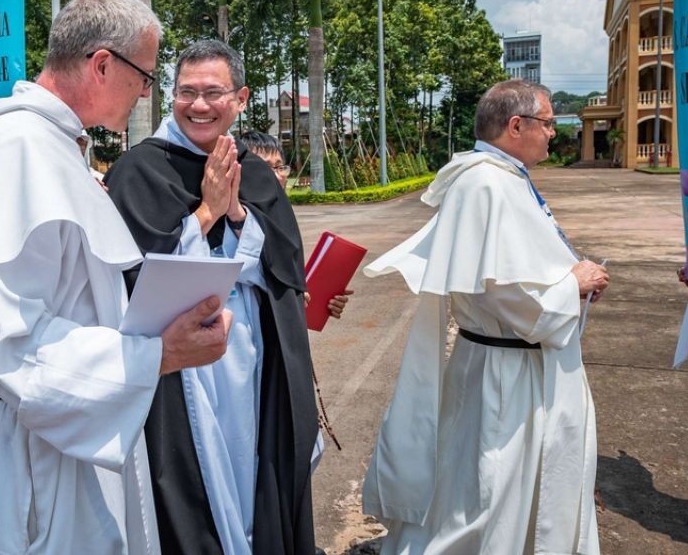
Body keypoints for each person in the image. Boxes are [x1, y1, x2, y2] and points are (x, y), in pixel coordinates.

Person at [0, 0, 231, 555]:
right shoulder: (19, 151)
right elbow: (11, 346)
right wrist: (158, 354)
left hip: (56, 432)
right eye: (145, 76)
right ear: (104, 64)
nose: (146, 93)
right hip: (26, 457)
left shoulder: (50, 146)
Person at [361, 79, 610, 554]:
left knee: (504, 493)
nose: (553, 134)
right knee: (486, 500)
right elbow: (500, 291)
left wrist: (572, 282)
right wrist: (572, 285)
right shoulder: (484, 182)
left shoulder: (504, 176)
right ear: (517, 125)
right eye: (548, 123)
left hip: (516, 366)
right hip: (504, 375)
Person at [104, 39, 318, 554]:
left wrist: (239, 213)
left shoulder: (256, 170)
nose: (198, 105)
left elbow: (284, 269)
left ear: (240, 98)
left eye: (213, 93)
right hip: (180, 370)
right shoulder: (139, 169)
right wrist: (207, 211)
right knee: (197, 483)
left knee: (250, 467)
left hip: (249, 354)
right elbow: (135, 274)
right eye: (186, 92)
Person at [239, 130, 352, 318]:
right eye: (264, 168)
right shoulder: (231, 221)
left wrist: (321, 301)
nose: (276, 177)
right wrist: (292, 295)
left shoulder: (283, 218)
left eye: (279, 167)